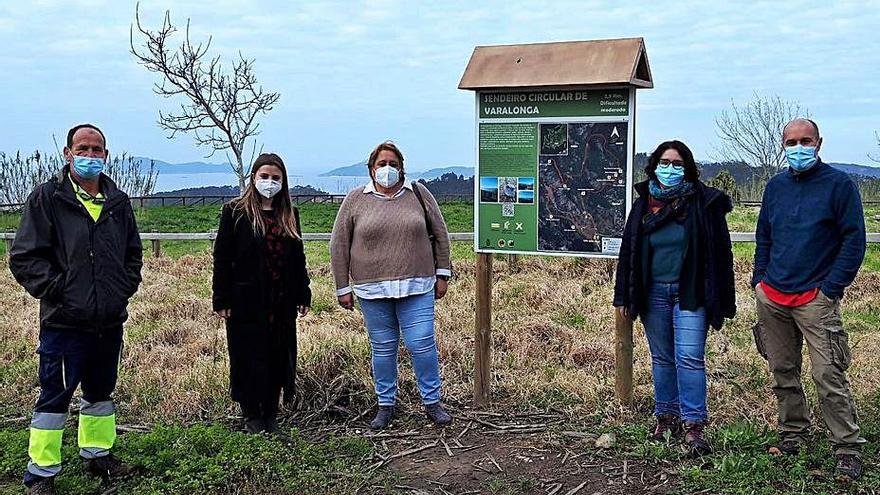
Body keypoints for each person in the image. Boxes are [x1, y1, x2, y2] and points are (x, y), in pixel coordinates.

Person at [10, 124, 143, 494]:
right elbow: (24, 258)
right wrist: (61, 293)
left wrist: (121, 290)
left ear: (106, 154)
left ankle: (98, 458)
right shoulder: (48, 199)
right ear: (68, 153)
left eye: (96, 149)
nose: (89, 155)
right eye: (82, 148)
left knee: (100, 395)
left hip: (108, 322)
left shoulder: (117, 202)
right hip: (64, 325)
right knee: (54, 399)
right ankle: (41, 474)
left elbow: (133, 254)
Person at [751, 119, 866, 481]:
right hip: (773, 296)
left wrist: (831, 288)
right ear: (782, 145)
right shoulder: (776, 187)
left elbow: (854, 241)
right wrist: (759, 281)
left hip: (815, 298)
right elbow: (764, 237)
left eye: (805, 141)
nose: (798, 147)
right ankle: (793, 434)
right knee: (782, 371)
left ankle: (846, 446)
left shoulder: (839, 185)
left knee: (828, 374)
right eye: (791, 141)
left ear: (819, 143)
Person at [613, 140, 736, 456]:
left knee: (689, 356)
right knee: (663, 357)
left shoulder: (705, 204)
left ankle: (694, 424)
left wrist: (723, 299)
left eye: (677, 164)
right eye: (664, 163)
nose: (670, 169)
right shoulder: (643, 205)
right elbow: (629, 252)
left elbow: (722, 254)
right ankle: (666, 417)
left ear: (689, 168)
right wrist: (624, 295)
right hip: (653, 292)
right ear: (654, 166)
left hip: (690, 293)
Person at [330, 141, 453, 430]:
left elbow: (441, 233)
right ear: (371, 169)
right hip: (372, 290)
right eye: (381, 164)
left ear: (402, 168)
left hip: (418, 285)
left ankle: (432, 401)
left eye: (393, 164)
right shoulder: (356, 199)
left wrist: (443, 274)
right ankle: (386, 405)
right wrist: (342, 287)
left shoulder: (419, 195)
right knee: (383, 349)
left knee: (421, 343)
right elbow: (339, 244)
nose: (387, 169)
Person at [213, 153, 311, 438]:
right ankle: (252, 414)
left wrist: (303, 292)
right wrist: (221, 298)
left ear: (284, 181)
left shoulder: (289, 215)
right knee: (248, 356)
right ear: (253, 178)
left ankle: (271, 413)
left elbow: (298, 258)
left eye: (275, 178)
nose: (270, 183)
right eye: (264, 177)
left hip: (281, 301)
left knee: (278, 356)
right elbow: (222, 257)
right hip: (246, 300)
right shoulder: (235, 212)